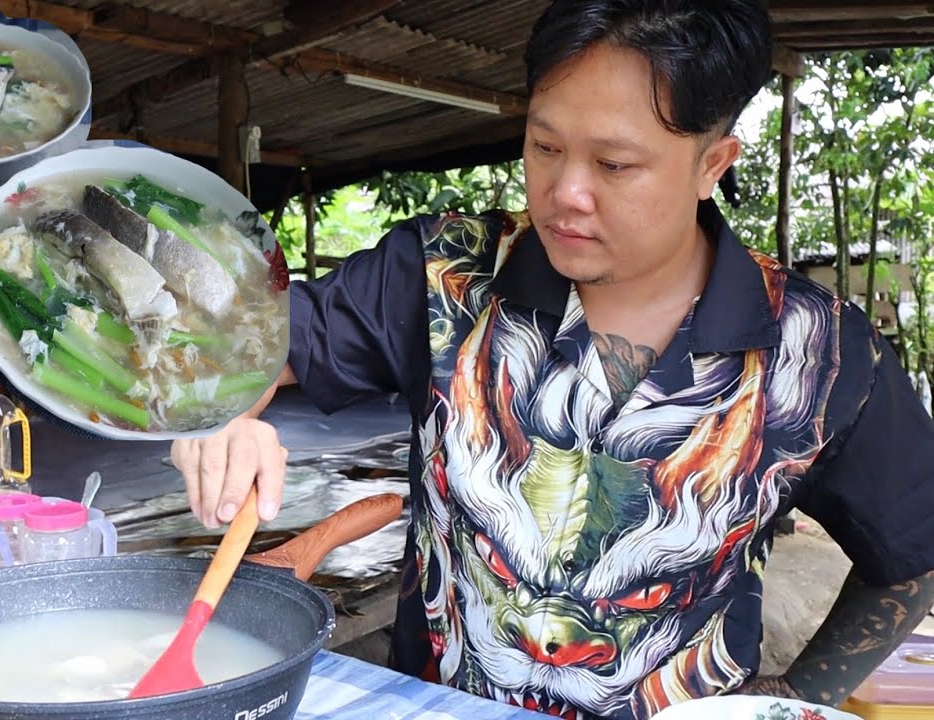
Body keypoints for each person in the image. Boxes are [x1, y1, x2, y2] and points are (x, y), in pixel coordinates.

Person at [172, 1, 934, 718]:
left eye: (614, 164)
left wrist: (797, 692)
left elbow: (913, 551)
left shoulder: (820, 349)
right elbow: (246, 341)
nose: (565, 192)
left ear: (713, 164)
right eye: (544, 146)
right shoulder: (442, 276)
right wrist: (225, 411)